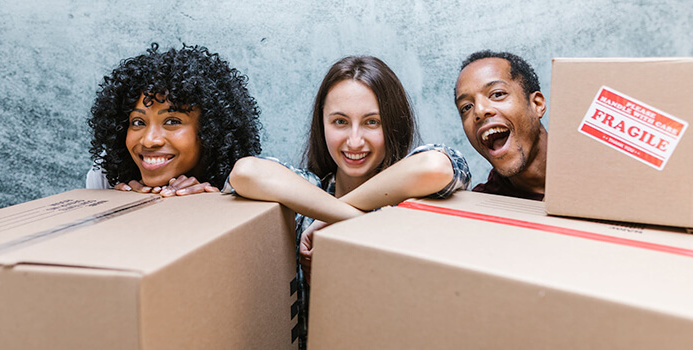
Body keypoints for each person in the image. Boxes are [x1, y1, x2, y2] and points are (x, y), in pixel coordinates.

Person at [227, 56, 471, 349]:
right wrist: (349, 217)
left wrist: (329, 220)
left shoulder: (410, 203)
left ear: (393, 125)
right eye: (340, 122)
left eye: (372, 122)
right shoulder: (305, 190)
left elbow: (437, 167)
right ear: (323, 124)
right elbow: (245, 172)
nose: (354, 141)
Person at [86, 43, 261, 195]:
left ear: (211, 131)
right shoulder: (106, 178)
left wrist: (213, 201)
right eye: (138, 122)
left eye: (172, 122)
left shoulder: (253, 179)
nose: (149, 141)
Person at [455, 51, 548, 201]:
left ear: (536, 104)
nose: (479, 111)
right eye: (466, 107)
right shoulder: (482, 209)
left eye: (497, 94)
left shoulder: (593, 157)